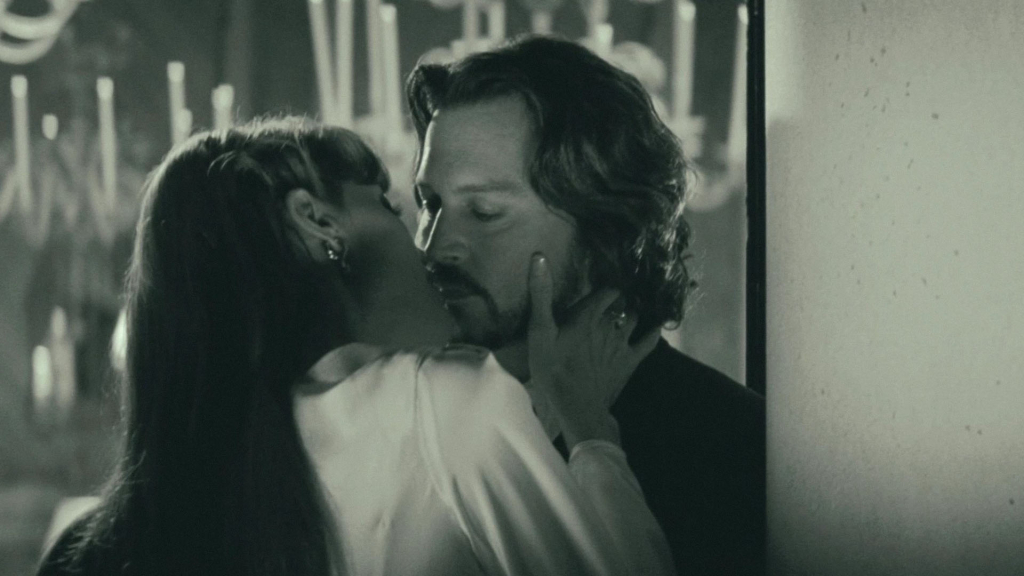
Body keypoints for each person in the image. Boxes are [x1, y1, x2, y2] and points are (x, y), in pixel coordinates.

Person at [35, 117, 675, 576]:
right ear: (316, 220)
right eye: (394, 206)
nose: (430, 247)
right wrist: (592, 436)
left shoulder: (123, 529)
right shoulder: (441, 403)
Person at [407, 35, 766, 574]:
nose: (435, 247)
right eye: (429, 204)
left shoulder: (735, 450)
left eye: (483, 212)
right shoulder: (424, 417)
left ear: (604, 229)